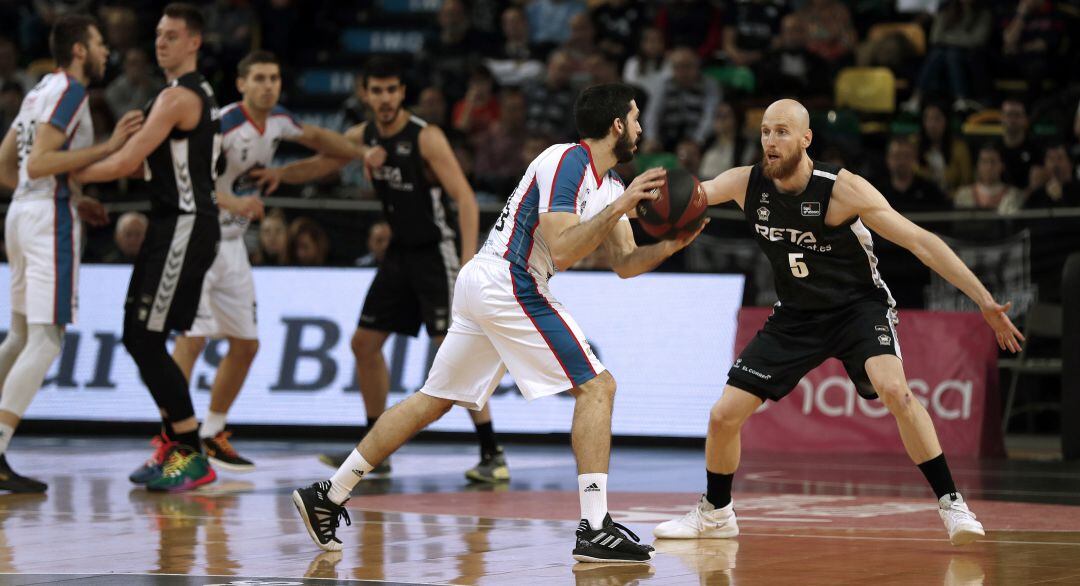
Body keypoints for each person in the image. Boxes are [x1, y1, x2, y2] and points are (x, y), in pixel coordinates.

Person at [291, 82, 704, 562]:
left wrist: (673, 244)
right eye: (634, 118)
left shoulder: (611, 185)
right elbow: (566, 248)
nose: (640, 127)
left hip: (489, 282)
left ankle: (328, 494)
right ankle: (594, 527)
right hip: (509, 279)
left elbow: (627, 262)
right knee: (598, 387)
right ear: (616, 126)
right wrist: (619, 206)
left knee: (433, 401)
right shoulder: (567, 161)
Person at [653, 99, 1023, 547]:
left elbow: (921, 243)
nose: (771, 141)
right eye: (766, 131)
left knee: (896, 392)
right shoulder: (744, 182)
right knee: (723, 415)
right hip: (796, 314)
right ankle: (716, 513)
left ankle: (953, 504)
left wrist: (983, 301)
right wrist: (634, 199)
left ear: (806, 139)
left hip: (858, 308)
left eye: (782, 132)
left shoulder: (841, 189)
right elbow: (685, 196)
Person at [265, 57, 508, 483]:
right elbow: (323, 164)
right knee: (363, 344)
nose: (384, 99)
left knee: (454, 350)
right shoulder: (364, 136)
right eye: (376, 91)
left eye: (391, 90)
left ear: (402, 93)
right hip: (400, 252)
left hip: (437, 252)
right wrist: (277, 174)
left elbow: (466, 199)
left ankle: (492, 451)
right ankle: (375, 446)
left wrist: (470, 260)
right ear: (364, 93)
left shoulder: (425, 137)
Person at [74, 3, 250, 492]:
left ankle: (190, 450)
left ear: (194, 42)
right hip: (169, 223)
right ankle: (178, 441)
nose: (161, 42)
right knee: (137, 335)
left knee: (145, 337)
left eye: (172, 35)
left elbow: (127, 159)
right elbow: (138, 164)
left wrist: (62, 171)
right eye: (158, 34)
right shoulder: (176, 96)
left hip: (187, 225)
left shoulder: (179, 98)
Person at [164, 50, 366, 474]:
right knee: (192, 339)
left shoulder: (279, 120)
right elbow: (185, 180)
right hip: (198, 236)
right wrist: (234, 200)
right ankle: (173, 443)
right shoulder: (222, 124)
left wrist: (361, 152)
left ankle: (212, 433)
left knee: (246, 344)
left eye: (273, 77)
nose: (268, 85)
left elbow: (327, 144)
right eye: (258, 78)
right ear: (241, 83)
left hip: (232, 243)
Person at [0, 14, 141, 493]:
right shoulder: (72, 91)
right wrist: (109, 146)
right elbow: (40, 162)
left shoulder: (38, 88)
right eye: (100, 43)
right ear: (79, 50)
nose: (106, 52)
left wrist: (68, 192)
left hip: (22, 213)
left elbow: (11, 163)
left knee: (19, 337)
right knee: (47, 339)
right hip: (46, 220)